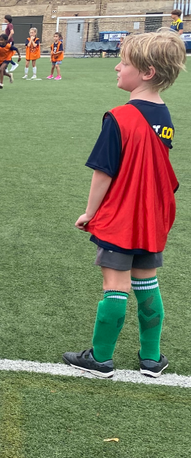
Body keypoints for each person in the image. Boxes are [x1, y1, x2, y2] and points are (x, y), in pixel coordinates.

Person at [64, 29, 184, 379]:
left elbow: (104, 173)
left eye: (124, 62)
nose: (117, 67)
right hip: (153, 216)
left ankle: (100, 358)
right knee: (147, 282)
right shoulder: (165, 117)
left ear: (146, 72)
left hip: (121, 216)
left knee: (115, 286)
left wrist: (90, 212)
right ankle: (151, 358)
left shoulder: (119, 117)